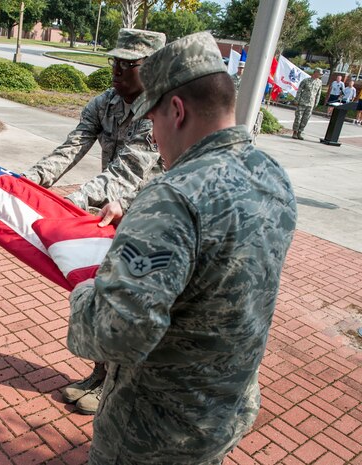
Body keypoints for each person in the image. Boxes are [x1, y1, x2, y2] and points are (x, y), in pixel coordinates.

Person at [66, 31, 297, 464]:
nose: (154, 137)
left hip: (153, 431)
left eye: (151, 122)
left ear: (176, 110)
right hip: (223, 411)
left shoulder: (172, 197)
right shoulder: (271, 173)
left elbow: (117, 335)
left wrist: (84, 293)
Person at [23, 28, 166, 415]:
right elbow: (71, 146)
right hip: (110, 218)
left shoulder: (160, 111)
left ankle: (118, 385)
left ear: (150, 69)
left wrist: (69, 205)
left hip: (153, 223)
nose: (117, 71)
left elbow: (126, 172)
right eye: (114, 62)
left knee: (131, 304)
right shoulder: (104, 104)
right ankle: (100, 373)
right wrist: (29, 182)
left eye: (128, 65)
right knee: (105, 296)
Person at [292, 68, 322, 140]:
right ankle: (295, 132)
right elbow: (299, 90)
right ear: (315, 73)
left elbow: (318, 93)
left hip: (310, 104)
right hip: (302, 102)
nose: (320, 75)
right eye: (319, 73)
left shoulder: (319, 82)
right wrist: (297, 100)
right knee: (298, 117)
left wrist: (316, 102)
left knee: (305, 119)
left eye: (320, 74)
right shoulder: (306, 81)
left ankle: (300, 132)